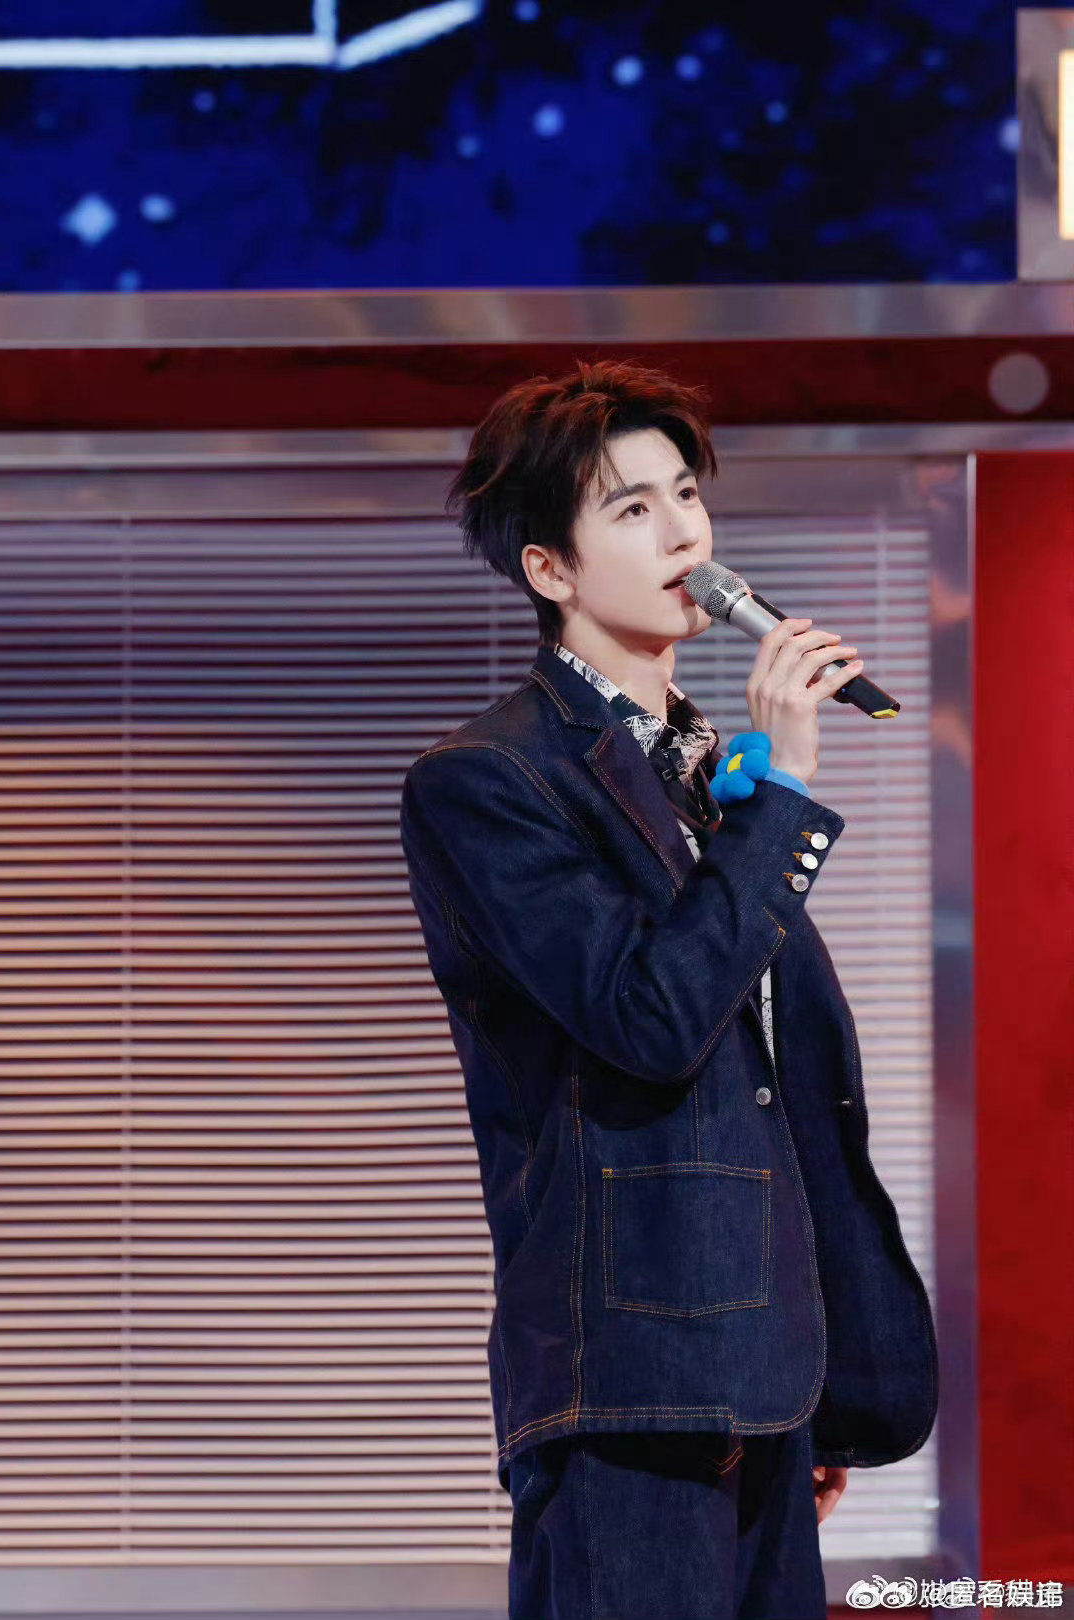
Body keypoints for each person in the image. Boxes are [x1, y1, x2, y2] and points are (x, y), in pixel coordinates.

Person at [398, 358, 938, 1620]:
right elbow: (648, 1016)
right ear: (550, 569)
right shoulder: (491, 781)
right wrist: (782, 794)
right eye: (632, 508)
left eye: (686, 493)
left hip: (767, 1385)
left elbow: (780, 1089)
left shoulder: (709, 780)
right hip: (630, 1384)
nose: (685, 531)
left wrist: (803, 1379)